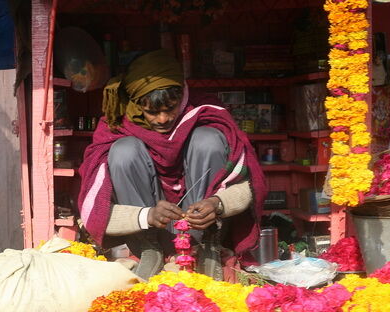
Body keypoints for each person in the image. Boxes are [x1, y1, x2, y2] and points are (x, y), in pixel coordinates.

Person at [78, 49, 266, 280]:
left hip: (200, 228)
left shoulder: (207, 113)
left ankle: (207, 246)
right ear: (137, 105)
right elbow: (96, 210)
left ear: (182, 96)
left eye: (170, 109)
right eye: (152, 112)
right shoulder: (115, 126)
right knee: (124, 150)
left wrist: (216, 203)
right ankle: (150, 250)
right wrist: (147, 215)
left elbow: (249, 186)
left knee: (208, 139)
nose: (163, 119)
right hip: (148, 227)